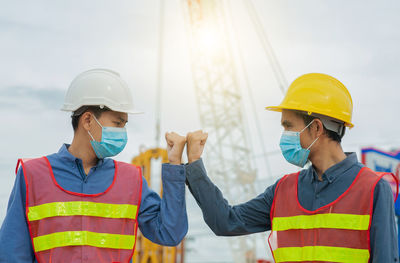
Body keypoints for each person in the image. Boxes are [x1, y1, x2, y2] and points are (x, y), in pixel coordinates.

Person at [184, 73, 399, 262]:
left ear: (316, 128)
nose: (284, 136)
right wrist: (194, 163)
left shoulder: (373, 189)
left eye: (288, 126)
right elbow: (225, 221)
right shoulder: (283, 190)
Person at [0, 69, 188, 263]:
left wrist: (174, 164)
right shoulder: (32, 175)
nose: (122, 132)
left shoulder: (131, 179)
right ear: (88, 120)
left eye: (124, 125)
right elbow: (12, 253)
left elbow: (170, 233)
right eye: (117, 123)